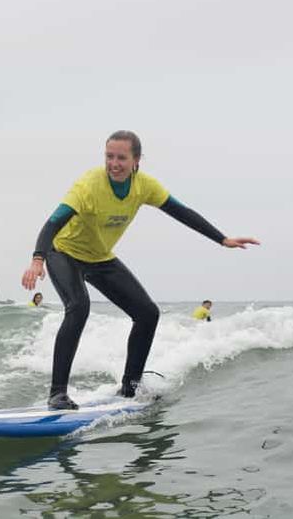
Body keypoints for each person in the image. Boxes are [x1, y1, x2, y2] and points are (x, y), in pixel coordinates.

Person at [21, 130, 259, 410]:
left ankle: (130, 387)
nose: (114, 163)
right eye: (109, 156)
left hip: (99, 257)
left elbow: (181, 211)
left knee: (147, 313)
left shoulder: (144, 186)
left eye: (121, 157)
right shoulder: (89, 184)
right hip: (62, 253)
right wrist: (38, 259)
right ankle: (58, 394)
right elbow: (52, 223)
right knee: (79, 306)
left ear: (136, 161)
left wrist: (222, 239)